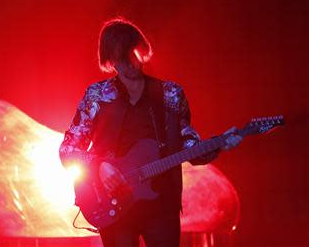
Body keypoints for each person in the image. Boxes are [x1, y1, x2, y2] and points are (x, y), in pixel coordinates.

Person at [59, 18, 242, 247]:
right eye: (123, 57)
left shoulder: (170, 95)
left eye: (135, 53)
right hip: (112, 204)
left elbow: (190, 148)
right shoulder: (97, 96)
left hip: (161, 204)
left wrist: (221, 143)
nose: (132, 62)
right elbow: (68, 150)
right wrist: (99, 166)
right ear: (112, 61)